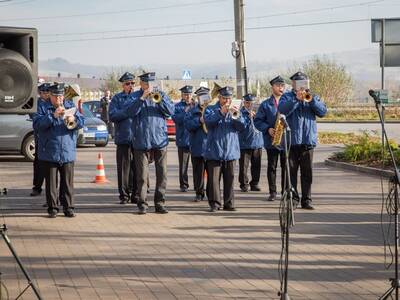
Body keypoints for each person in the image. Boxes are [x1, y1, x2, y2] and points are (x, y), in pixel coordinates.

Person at [33, 83, 84, 218]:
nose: (59, 99)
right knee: (51, 184)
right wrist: (53, 116)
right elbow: (37, 125)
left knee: (67, 183)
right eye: (56, 96)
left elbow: (82, 121)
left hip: (67, 150)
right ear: (50, 95)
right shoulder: (42, 107)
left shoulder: (69, 106)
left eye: (61, 96)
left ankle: (68, 207)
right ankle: (53, 208)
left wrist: (75, 120)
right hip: (49, 151)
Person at [278, 71, 327, 209]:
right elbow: (282, 110)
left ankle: (307, 200)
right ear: (293, 84)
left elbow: (322, 112)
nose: (300, 85)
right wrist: (296, 99)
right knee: (291, 172)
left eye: (304, 82)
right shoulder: (287, 96)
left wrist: (311, 100)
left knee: (307, 173)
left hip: (307, 140)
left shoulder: (313, 96)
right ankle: (293, 199)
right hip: (291, 141)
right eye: (297, 82)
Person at [127, 72, 174, 214]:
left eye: (151, 84)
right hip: (141, 140)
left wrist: (160, 101)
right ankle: (142, 204)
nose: (149, 86)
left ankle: (160, 203)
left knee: (162, 174)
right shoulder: (134, 96)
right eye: (146, 84)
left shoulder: (161, 95)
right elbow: (129, 112)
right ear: (141, 84)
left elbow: (170, 111)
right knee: (141, 176)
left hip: (159, 139)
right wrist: (141, 99)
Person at [203, 86, 245, 212]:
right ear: (219, 97)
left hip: (231, 151)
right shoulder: (210, 109)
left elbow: (242, 126)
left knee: (230, 179)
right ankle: (215, 203)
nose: (227, 101)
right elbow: (209, 122)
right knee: (214, 180)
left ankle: (229, 203)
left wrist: (235, 116)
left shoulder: (236, 110)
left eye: (229, 98)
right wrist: (221, 112)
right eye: (224, 98)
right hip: (214, 150)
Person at [254, 75, 286, 201]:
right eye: (278, 85)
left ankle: (285, 191)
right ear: (272, 87)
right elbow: (257, 121)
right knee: (272, 166)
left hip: (285, 140)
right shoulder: (265, 104)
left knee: (286, 167)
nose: (280, 88)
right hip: (271, 140)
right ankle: (273, 192)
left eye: (282, 85)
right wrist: (268, 128)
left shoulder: (288, 102)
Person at [109, 72, 136, 204]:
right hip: (123, 138)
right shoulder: (117, 99)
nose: (130, 85)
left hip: (137, 139)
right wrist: (127, 111)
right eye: (127, 83)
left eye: (132, 83)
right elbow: (112, 115)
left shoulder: (138, 97)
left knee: (137, 169)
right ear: (123, 85)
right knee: (124, 169)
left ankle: (136, 194)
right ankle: (124, 195)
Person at [184, 86, 210, 202]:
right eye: (201, 96)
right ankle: (199, 193)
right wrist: (199, 121)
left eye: (206, 96)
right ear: (198, 98)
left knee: (212, 174)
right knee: (198, 173)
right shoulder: (192, 111)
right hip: (197, 146)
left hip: (210, 147)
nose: (204, 98)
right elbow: (188, 126)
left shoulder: (213, 110)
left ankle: (211, 193)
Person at [238, 93, 263, 193]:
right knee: (243, 166)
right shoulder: (240, 113)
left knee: (256, 165)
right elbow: (240, 125)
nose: (249, 105)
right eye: (247, 103)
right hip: (245, 143)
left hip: (257, 142)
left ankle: (255, 183)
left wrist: (256, 117)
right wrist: (248, 117)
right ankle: (244, 184)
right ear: (244, 103)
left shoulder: (259, 112)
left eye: (251, 103)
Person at [30, 82, 51, 197]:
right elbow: (36, 120)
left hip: (51, 140)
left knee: (50, 168)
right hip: (40, 139)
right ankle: (37, 187)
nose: (47, 94)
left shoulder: (52, 103)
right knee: (38, 165)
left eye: (48, 92)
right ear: (40, 93)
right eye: (44, 92)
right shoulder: (37, 104)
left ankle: (51, 191)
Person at [172, 85, 193, 192]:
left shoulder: (196, 105)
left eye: (189, 94)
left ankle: (198, 185)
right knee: (183, 165)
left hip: (194, 140)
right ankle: (184, 184)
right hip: (183, 140)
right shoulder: (177, 107)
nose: (188, 96)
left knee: (197, 165)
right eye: (186, 94)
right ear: (182, 95)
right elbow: (176, 119)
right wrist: (185, 111)